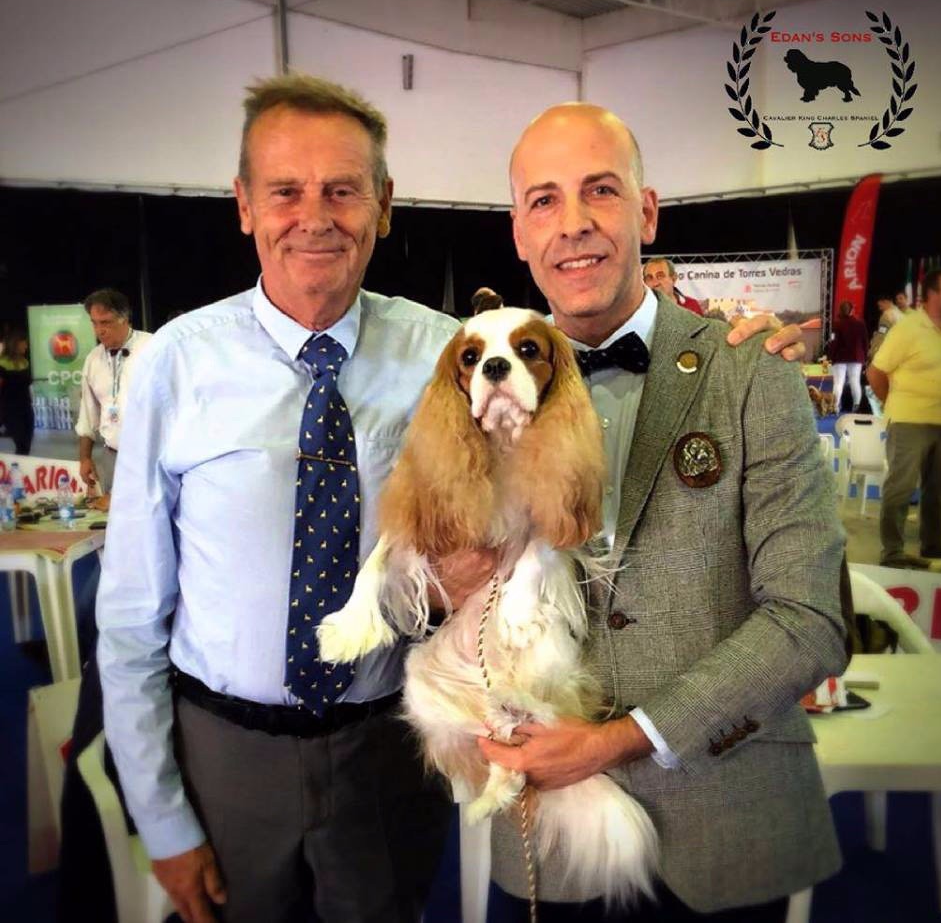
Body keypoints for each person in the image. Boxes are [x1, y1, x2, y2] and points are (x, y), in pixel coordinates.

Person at [96, 75, 807, 923]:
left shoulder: (450, 351)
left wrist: (745, 346)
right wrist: (161, 816)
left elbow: (560, 361)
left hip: (395, 744)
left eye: (343, 190)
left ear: (384, 205)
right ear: (244, 204)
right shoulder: (173, 363)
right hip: (225, 751)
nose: (315, 217)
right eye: (286, 191)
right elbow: (131, 615)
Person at [482, 103, 847, 921]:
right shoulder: (485, 390)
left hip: (725, 826)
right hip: (553, 839)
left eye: (600, 190)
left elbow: (810, 619)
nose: (573, 224)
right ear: (519, 233)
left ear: (646, 212)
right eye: (544, 200)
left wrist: (619, 739)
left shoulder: (753, 372)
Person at [867, 267, 941, 567]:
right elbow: (875, 372)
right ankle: (892, 552)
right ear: (931, 294)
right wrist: (892, 403)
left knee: (938, 489)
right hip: (908, 421)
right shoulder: (907, 329)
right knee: (901, 487)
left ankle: (932, 545)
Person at [75, 289, 152, 500]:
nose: (99, 330)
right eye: (94, 323)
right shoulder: (93, 359)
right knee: (112, 515)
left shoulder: (152, 348)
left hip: (149, 456)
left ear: (124, 319)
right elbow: (87, 414)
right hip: (111, 456)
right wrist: (85, 458)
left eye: (106, 322)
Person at [826, 301, 869, 412]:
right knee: (855, 382)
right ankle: (857, 406)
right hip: (856, 357)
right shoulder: (860, 324)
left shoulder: (837, 324)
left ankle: (835, 407)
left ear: (840, 310)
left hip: (840, 358)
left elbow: (833, 342)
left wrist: (830, 356)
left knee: (838, 383)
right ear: (852, 310)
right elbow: (865, 342)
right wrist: (865, 357)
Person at [0, 326, 34, 454]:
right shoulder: (2, 364)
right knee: (20, 441)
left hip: (26, 407)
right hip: (10, 409)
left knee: (26, 443)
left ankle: (22, 464)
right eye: (24, 343)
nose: (26, 346)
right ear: (15, 343)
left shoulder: (24, 362)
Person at [865, 297, 902, 414]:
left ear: (886, 301)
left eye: (880, 304)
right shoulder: (901, 315)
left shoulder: (887, 316)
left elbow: (880, 338)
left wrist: (872, 353)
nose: (879, 307)